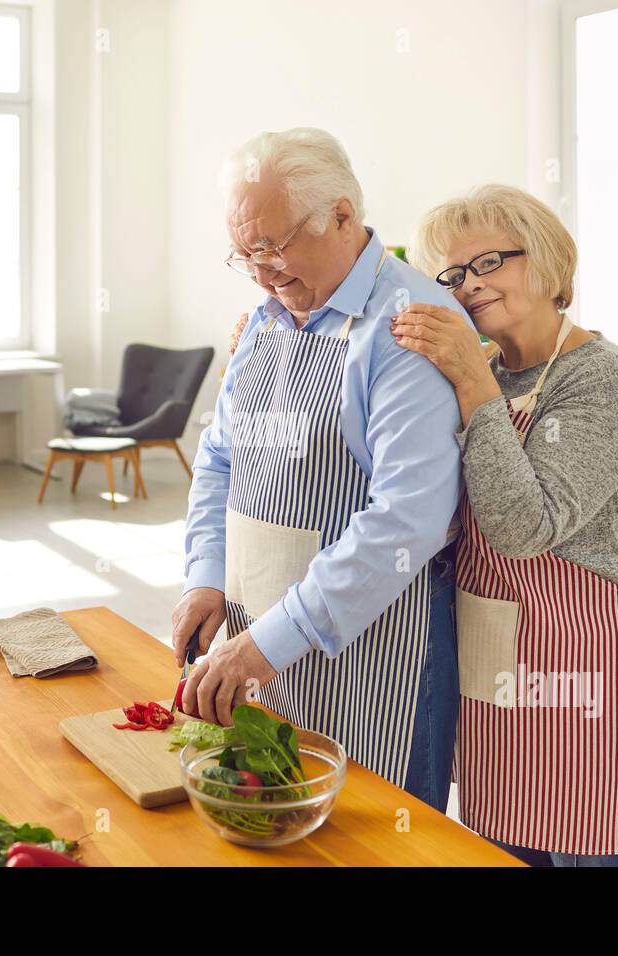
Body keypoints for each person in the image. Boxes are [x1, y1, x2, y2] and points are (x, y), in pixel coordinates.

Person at [173, 128, 470, 810]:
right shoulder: (267, 320)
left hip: (373, 658)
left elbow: (408, 518)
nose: (260, 271)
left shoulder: (407, 323)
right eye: (243, 254)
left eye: (273, 246)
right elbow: (220, 456)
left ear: (341, 215)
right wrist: (205, 575)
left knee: (372, 841)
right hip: (260, 644)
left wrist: (269, 642)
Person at [393, 184, 618, 865]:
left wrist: (472, 385)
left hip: (594, 675)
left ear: (548, 262)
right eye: (453, 275)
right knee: (506, 853)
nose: (469, 285)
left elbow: (526, 525)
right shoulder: (481, 373)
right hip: (497, 666)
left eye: (488, 262)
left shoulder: (606, 378)